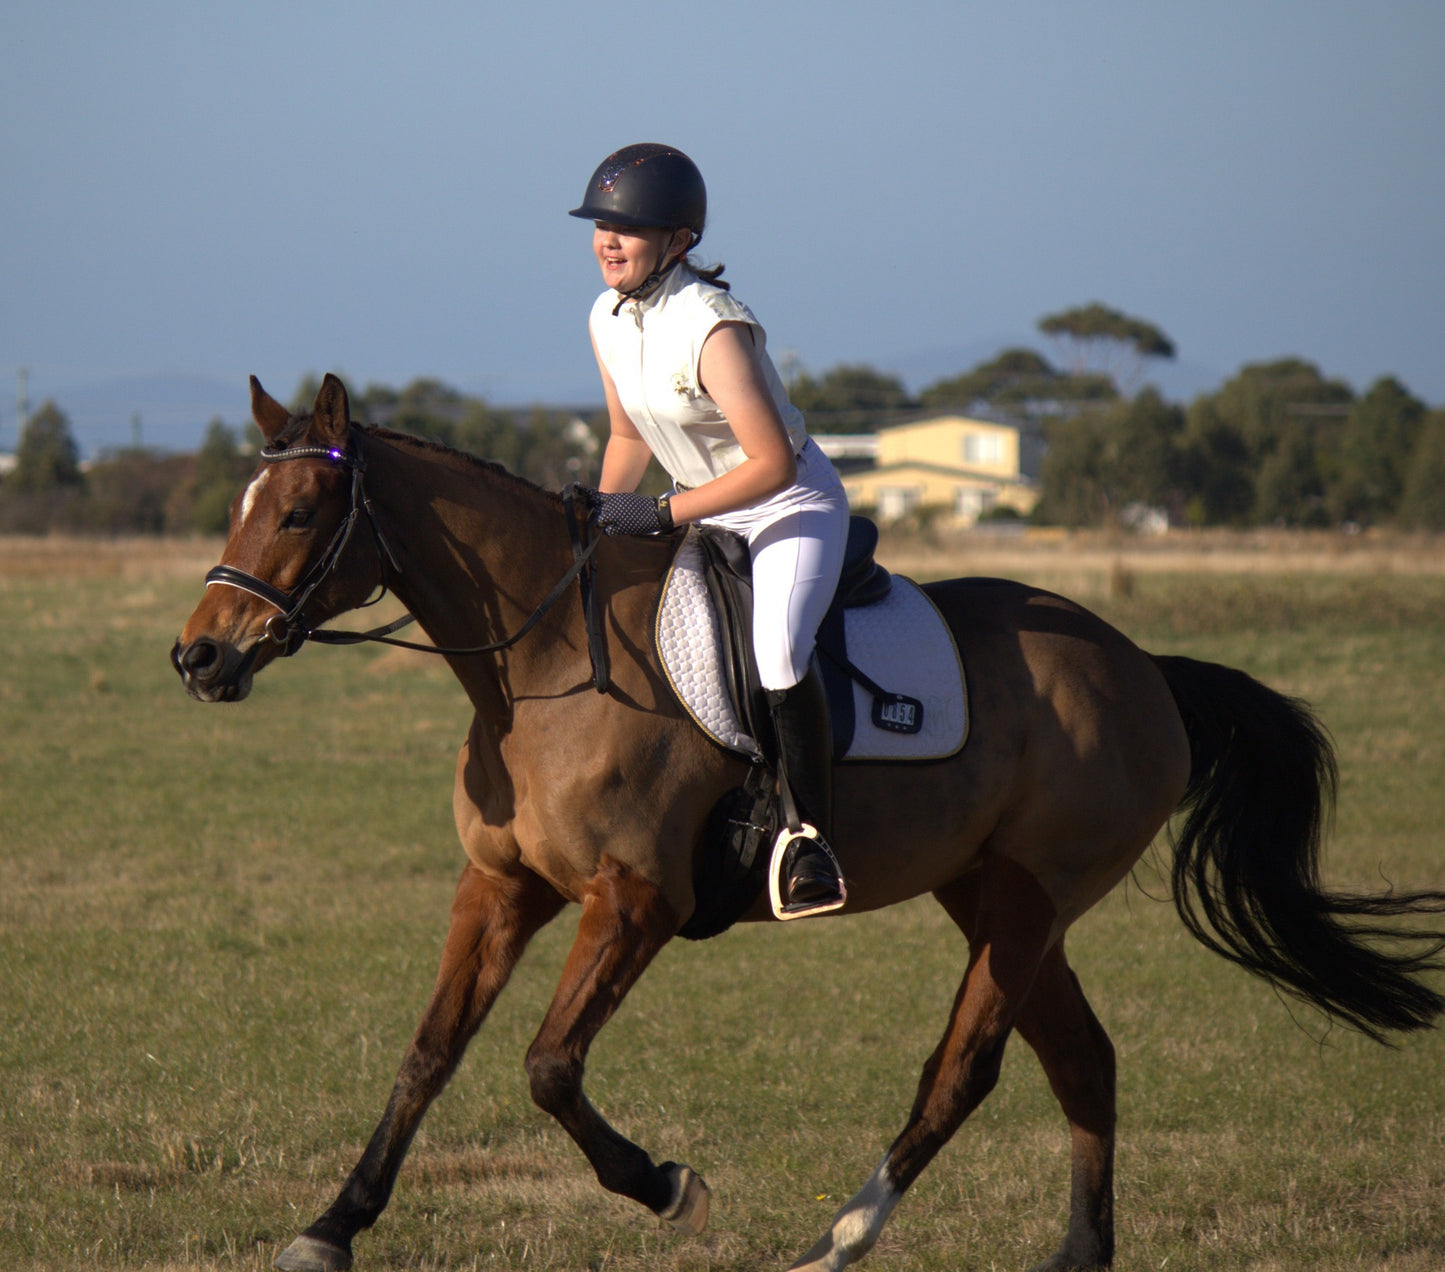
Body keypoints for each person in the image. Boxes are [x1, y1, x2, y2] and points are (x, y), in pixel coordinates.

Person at [570, 142, 850, 919]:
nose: (606, 240)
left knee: (778, 654)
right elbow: (627, 439)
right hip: (701, 508)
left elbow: (770, 466)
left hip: (785, 507)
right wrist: (598, 518)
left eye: (627, 228)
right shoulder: (607, 316)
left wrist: (656, 514)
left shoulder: (713, 326)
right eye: (599, 224)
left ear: (679, 241)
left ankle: (810, 841)